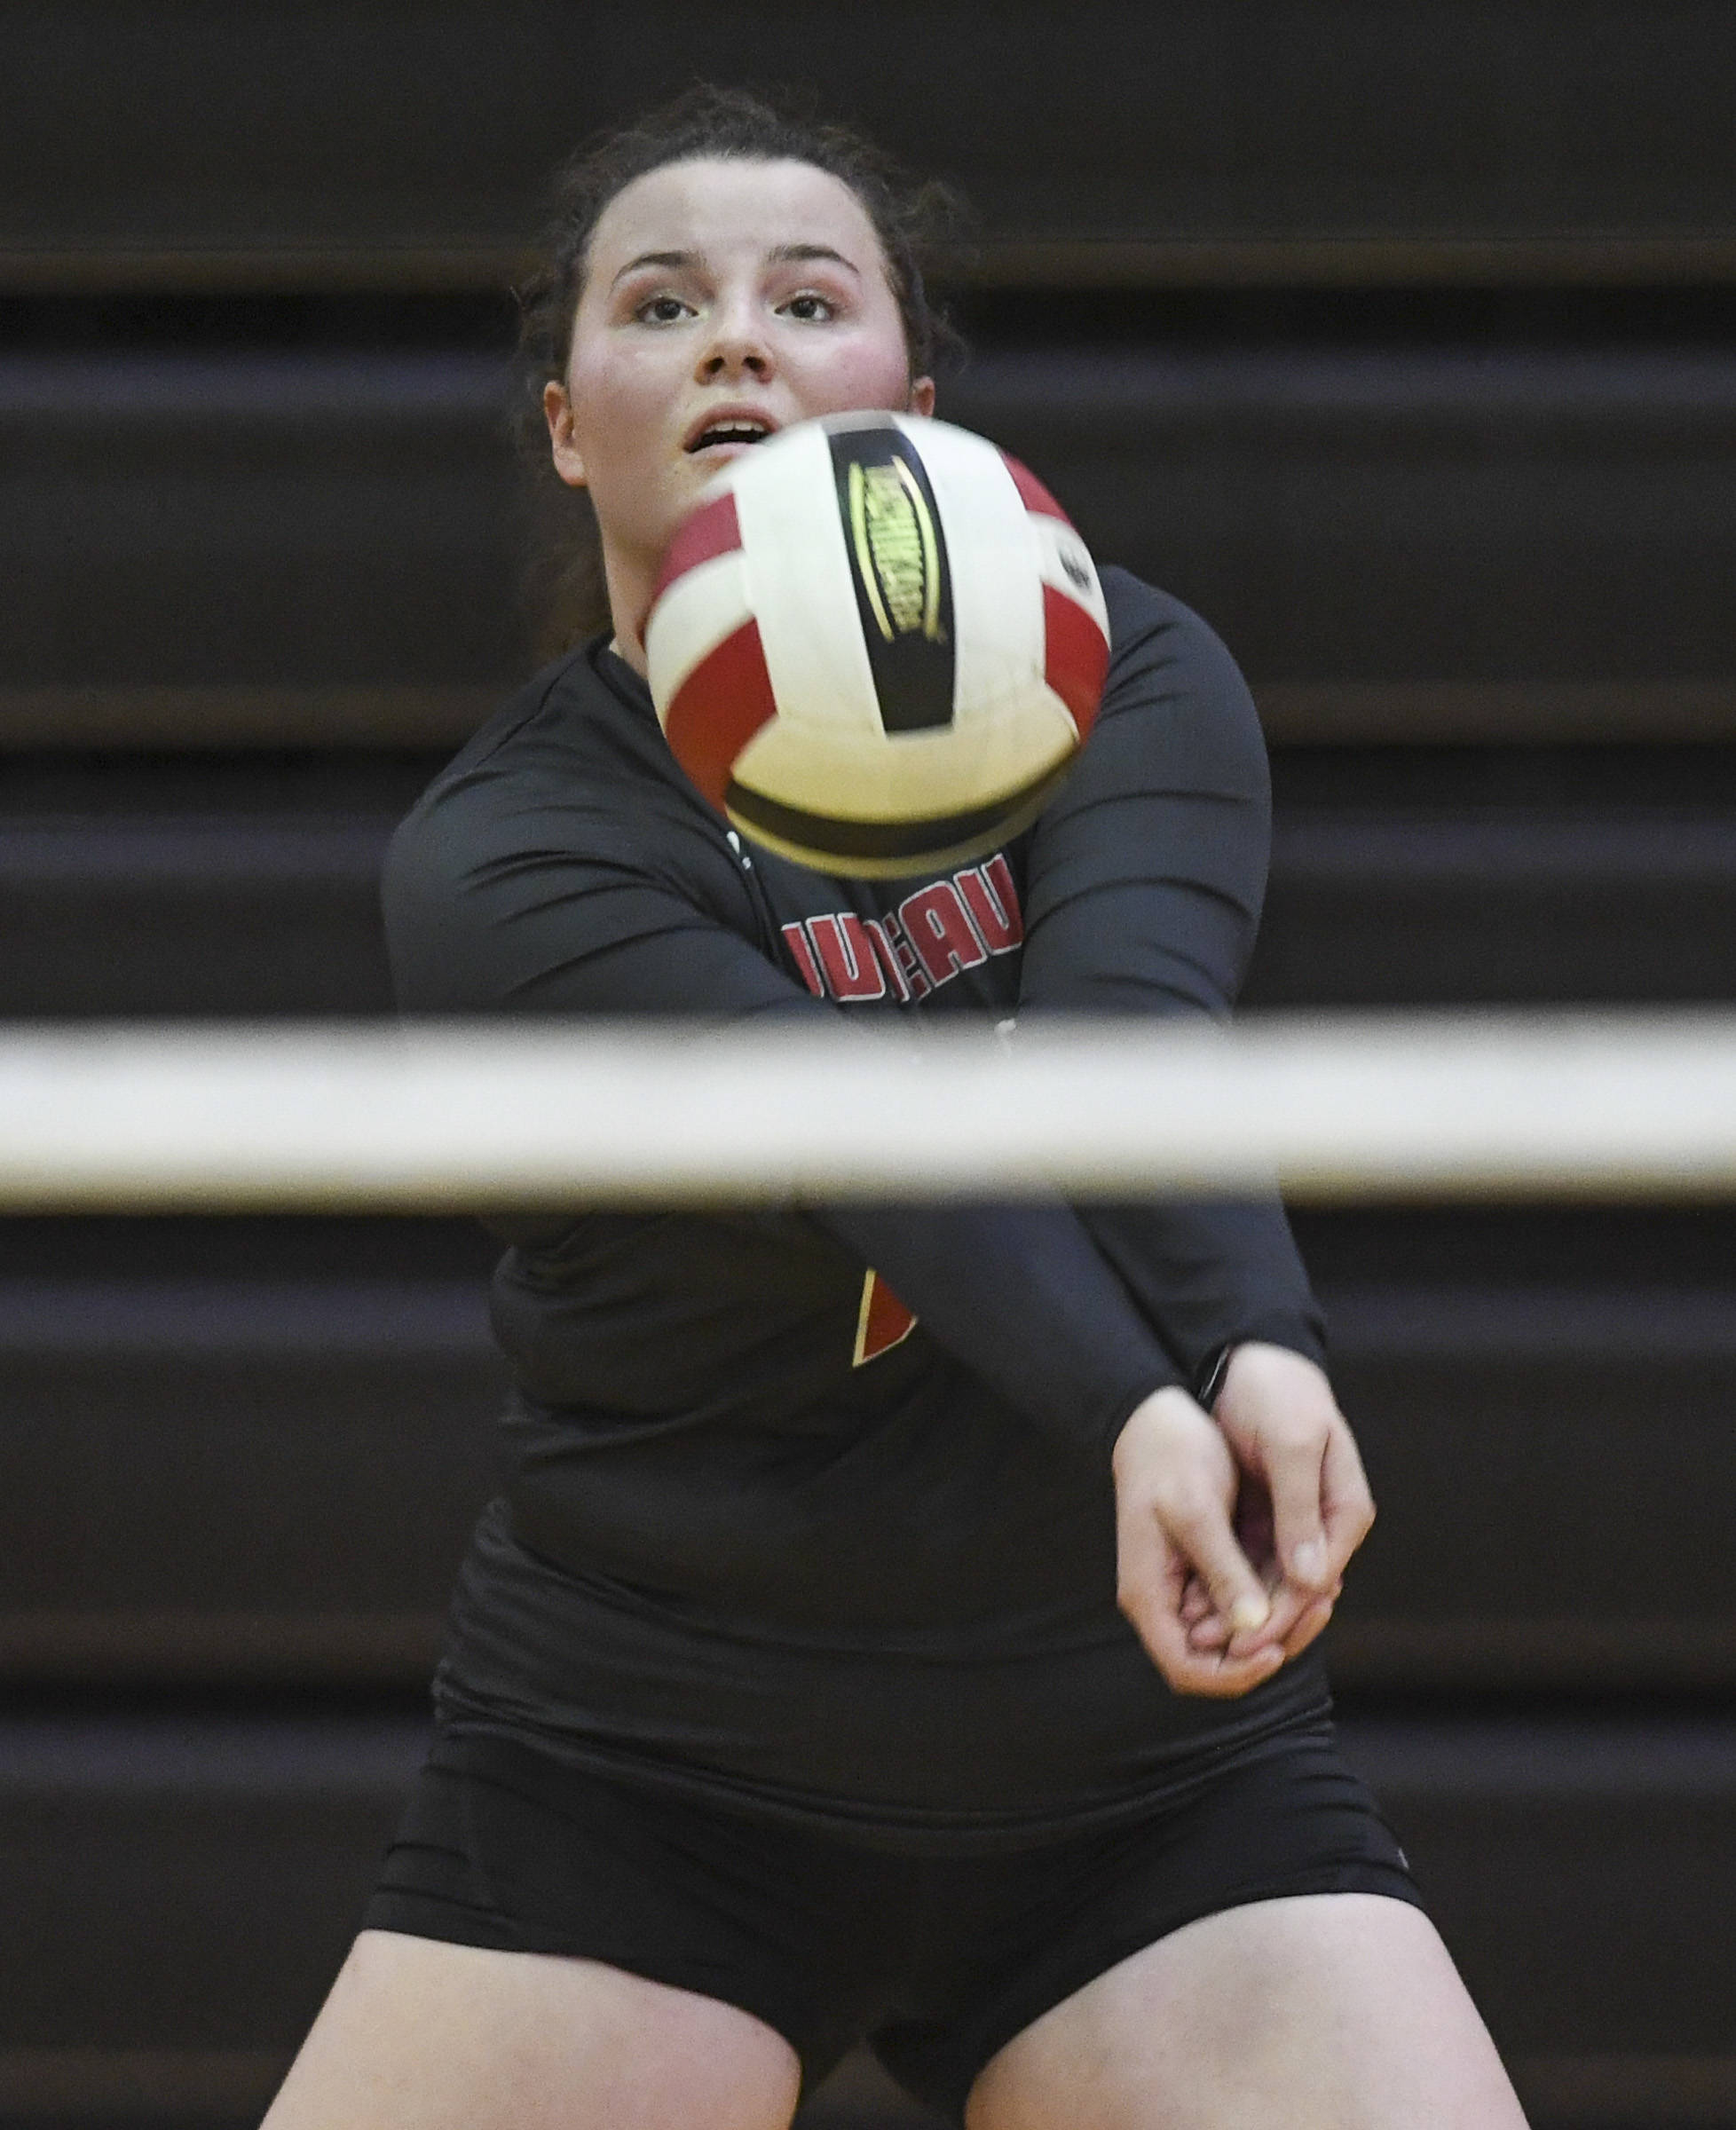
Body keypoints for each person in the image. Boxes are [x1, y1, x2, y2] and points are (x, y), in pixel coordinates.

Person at [264, 86, 1527, 2130]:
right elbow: (850, 1129)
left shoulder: (1135, 668)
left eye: (804, 298)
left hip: (1142, 1777)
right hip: (644, 1775)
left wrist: (1260, 1344)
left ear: (918, 402)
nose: (735, 341)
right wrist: (1148, 1406)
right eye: (662, 302)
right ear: (572, 423)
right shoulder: (503, 853)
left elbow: (1134, 1026)